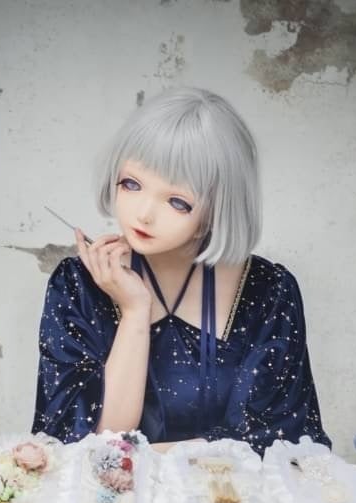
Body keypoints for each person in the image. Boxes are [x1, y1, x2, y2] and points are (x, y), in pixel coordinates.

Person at [30, 87, 330, 456]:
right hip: (110, 495)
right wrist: (134, 311)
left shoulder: (268, 292)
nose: (144, 214)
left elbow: (274, 445)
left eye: (177, 202)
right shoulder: (78, 284)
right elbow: (86, 449)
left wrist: (146, 457)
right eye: (131, 184)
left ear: (219, 208)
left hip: (228, 494)